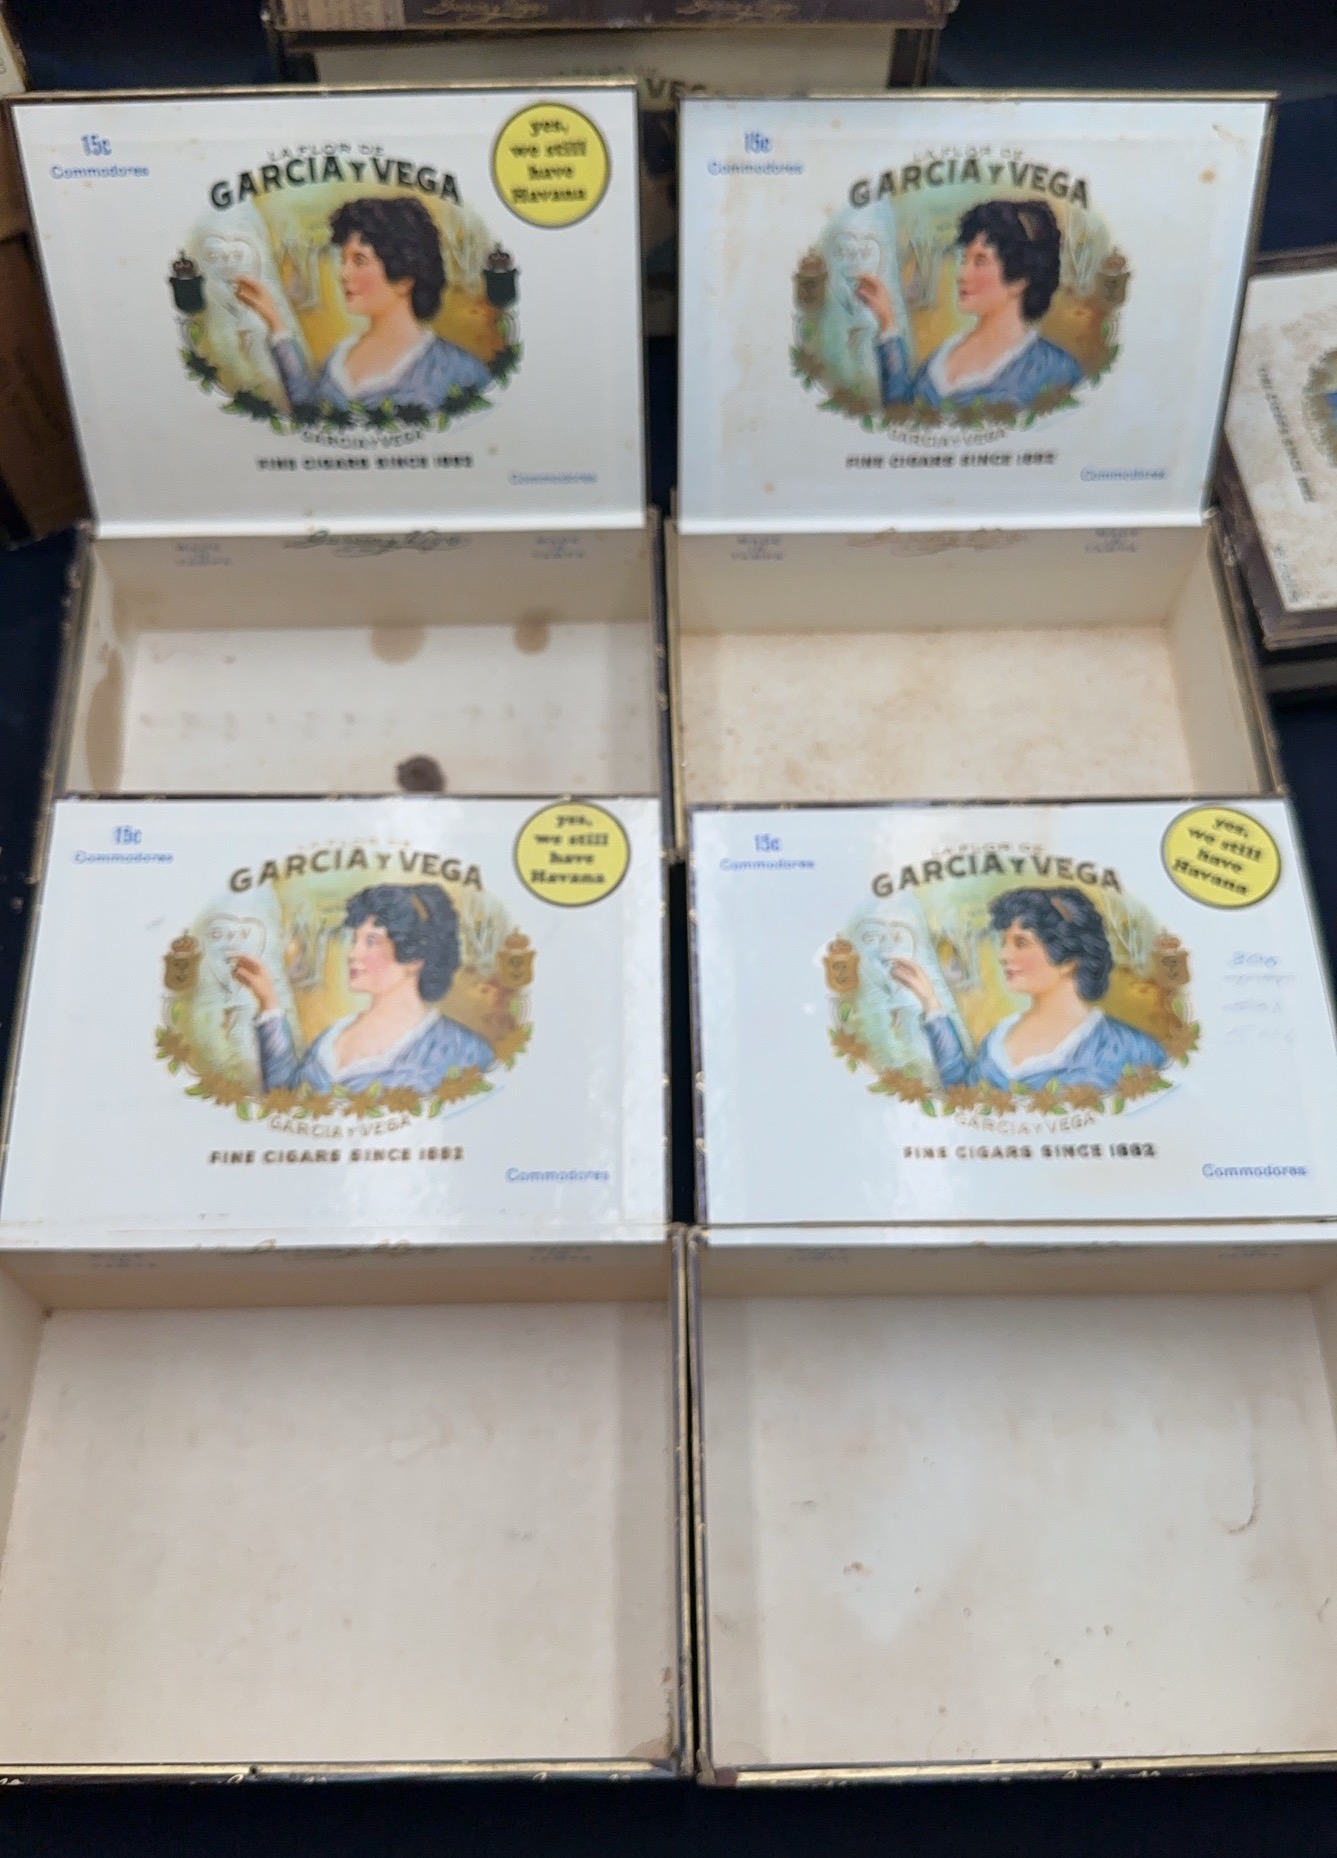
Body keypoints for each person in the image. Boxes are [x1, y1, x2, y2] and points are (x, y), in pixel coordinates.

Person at [890, 887, 1167, 1093]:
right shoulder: (998, 1038)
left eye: (1021, 943)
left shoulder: (1132, 1050)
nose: (1003, 956)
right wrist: (932, 1004)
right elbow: (963, 1095)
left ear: (1068, 960)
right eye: (1004, 942)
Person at [233, 196, 492, 412]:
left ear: (404, 278)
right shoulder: (339, 358)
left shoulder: (458, 370)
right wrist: (275, 321)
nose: (343, 273)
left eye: (359, 261)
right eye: (343, 260)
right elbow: (310, 413)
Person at [233, 883, 494, 1094]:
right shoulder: (332, 1037)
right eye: (355, 940)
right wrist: (269, 1004)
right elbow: (286, 1100)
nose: (353, 954)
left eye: (371, 941)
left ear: (415, 957)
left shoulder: (463, 1051)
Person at [855, 198, 1083, 413]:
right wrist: (887, 322)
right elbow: (902, 415)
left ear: (1019, 279)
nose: (962, 274)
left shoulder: (1055, 369)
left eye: (980, 262)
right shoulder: (941, 358)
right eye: (964, 260)